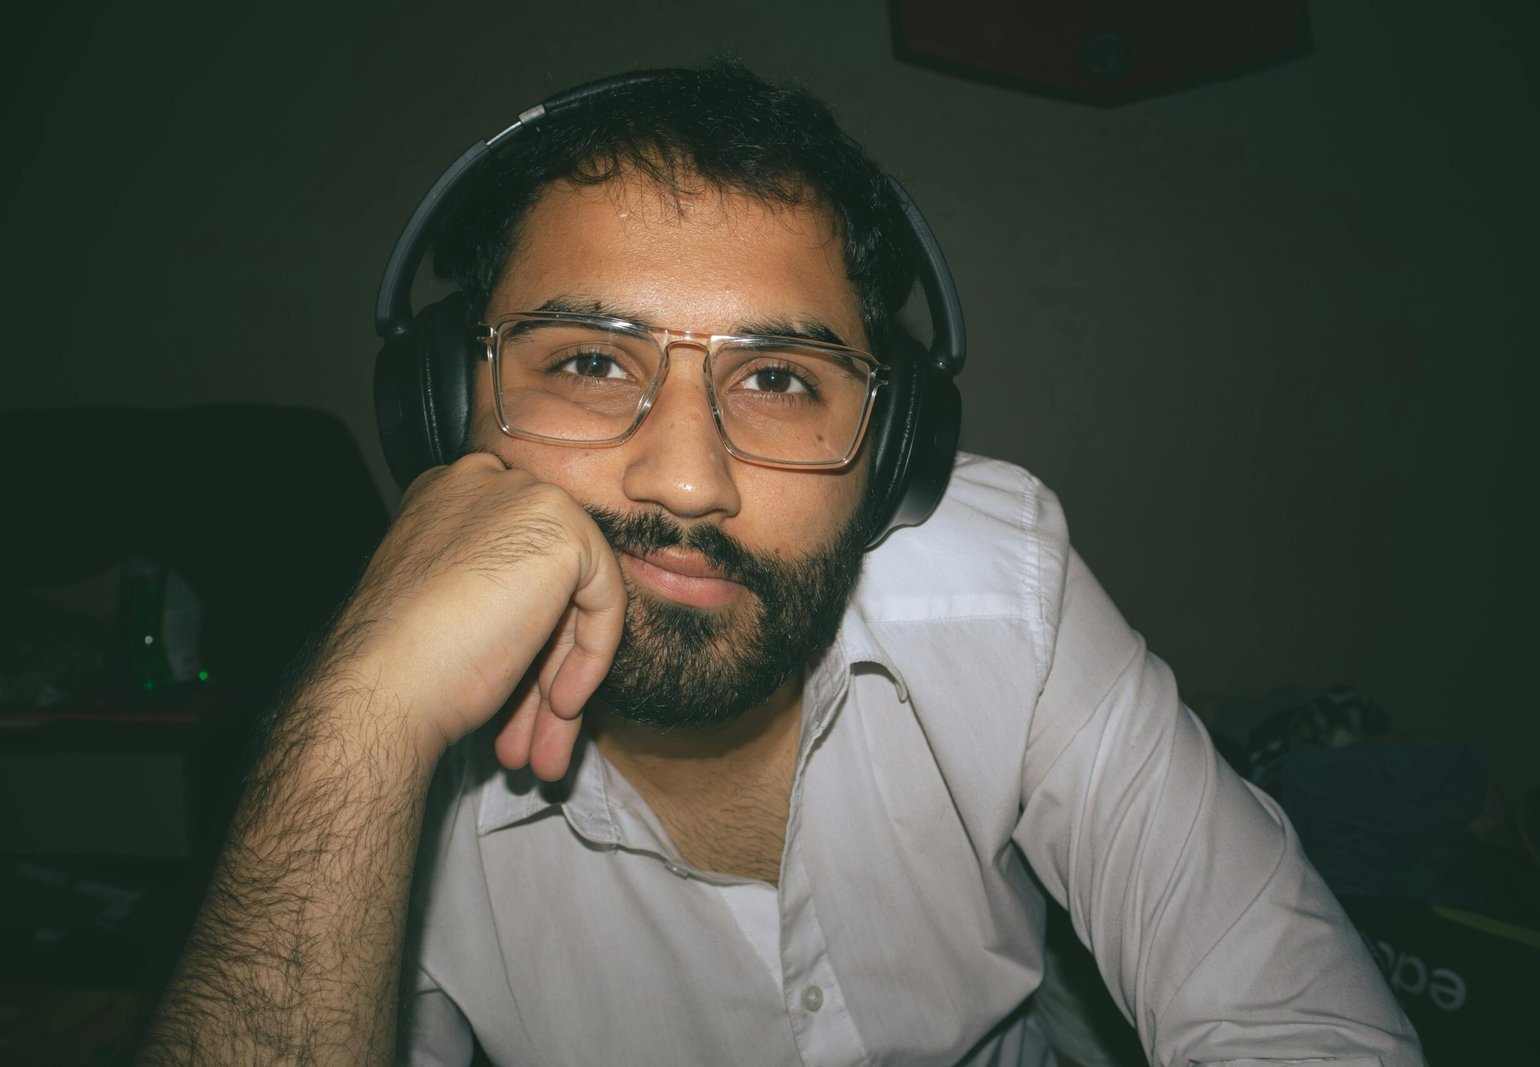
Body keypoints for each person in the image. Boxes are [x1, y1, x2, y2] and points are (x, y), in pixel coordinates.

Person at [138, 63, 1424, 1066]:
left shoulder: (1000, 591)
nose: (687, 478)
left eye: (776, 377)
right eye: (588, 360)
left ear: (892, 456)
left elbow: (1294, 1020)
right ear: (441, 412)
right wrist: (359, 719)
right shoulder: (388, 733)